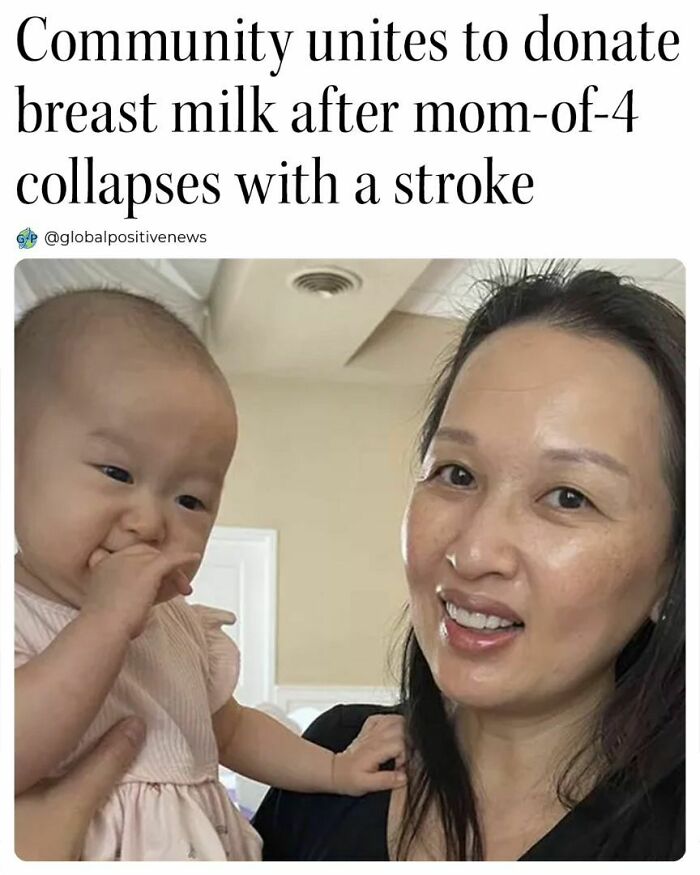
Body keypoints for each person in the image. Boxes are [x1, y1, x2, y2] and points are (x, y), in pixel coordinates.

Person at [15, 267, 685, 861]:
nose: (474, 550)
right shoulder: (344, 758)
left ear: (672, 565)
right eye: (455, 472)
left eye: (568, 496)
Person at [14, 290, 406, 862]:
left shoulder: (177, 630)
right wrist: (102, 623)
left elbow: (232, 733)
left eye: (191, 500)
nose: (149, 522)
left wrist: (332, 769)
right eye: (116, 472)